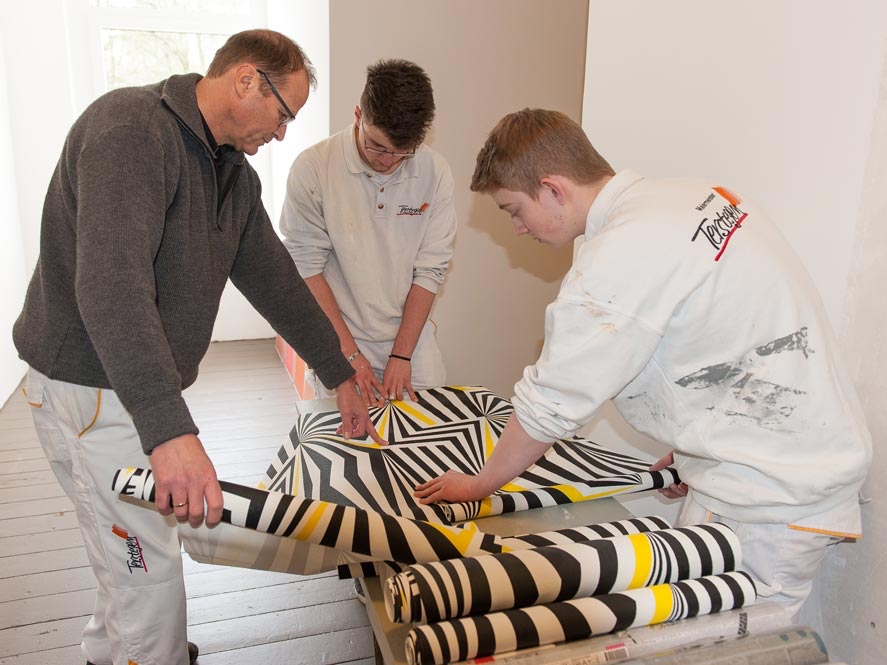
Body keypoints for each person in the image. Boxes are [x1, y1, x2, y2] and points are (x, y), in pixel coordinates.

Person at [13, 29, 381, 665]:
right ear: (245, 80)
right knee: (148, 566)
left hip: (126, 388)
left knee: (122, 545)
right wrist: (167, 430)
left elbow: (275, 280)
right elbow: (109, 285)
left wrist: (338, 369)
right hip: (94, 387)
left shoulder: (231, 175)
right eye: (284, 112)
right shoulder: (131, 130)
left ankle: (115, 651)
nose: (284, 132)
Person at [414, 108, 871, 619]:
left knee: (735, 642)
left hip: (769, 498)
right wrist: (691, 452)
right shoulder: (691, 196)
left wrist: (477, 486)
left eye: (514, 209)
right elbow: (727, 340)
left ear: (553, 189)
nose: (518, 228)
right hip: (791, 459)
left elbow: (549, 404)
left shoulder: (620, 256)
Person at [280, 59, 456, 406]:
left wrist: (402, 356)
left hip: (411, 343)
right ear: (359, 116)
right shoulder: (314, 169)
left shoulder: (434, 172)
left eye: (402, 152)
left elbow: (430, 270)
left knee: (422, 443)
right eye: (377, 145)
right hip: (339, 339)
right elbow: (307, 269)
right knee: (344, 448)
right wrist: (349, 356)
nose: (387, 161)